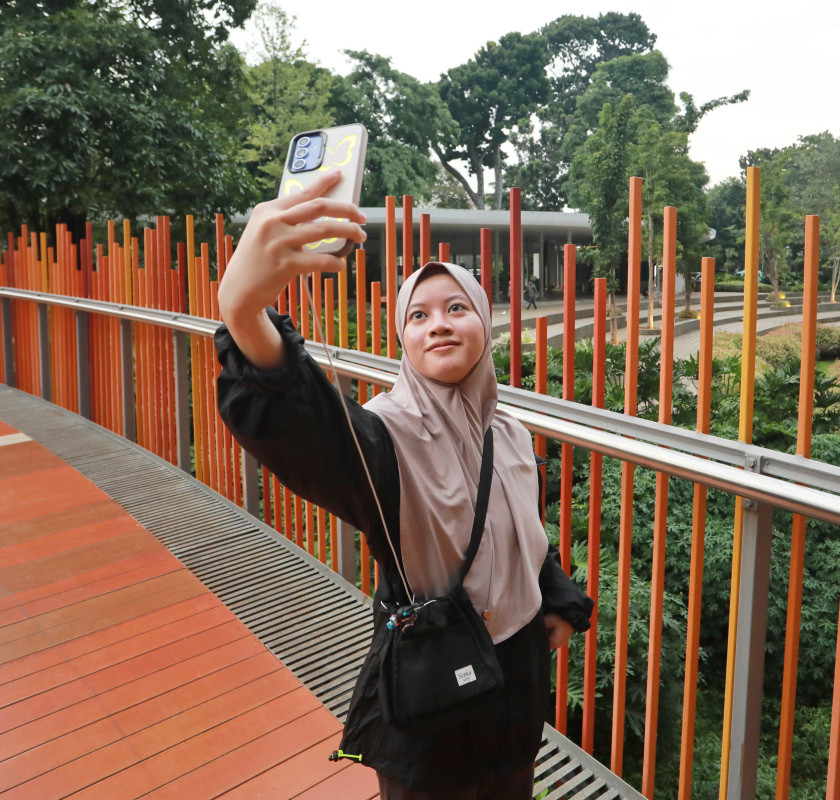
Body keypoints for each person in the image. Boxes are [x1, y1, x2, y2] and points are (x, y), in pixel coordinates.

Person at [214, 169, 593, 799]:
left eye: (455, 308)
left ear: (484, 323)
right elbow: (308, 430)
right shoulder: (384, 436)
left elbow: (524, 530)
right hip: (434, 679)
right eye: (417, 316)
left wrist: (553, 599)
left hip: (516, 680)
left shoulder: (511, 432)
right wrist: (244, 313)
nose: (437, 324)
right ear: (403, 339)